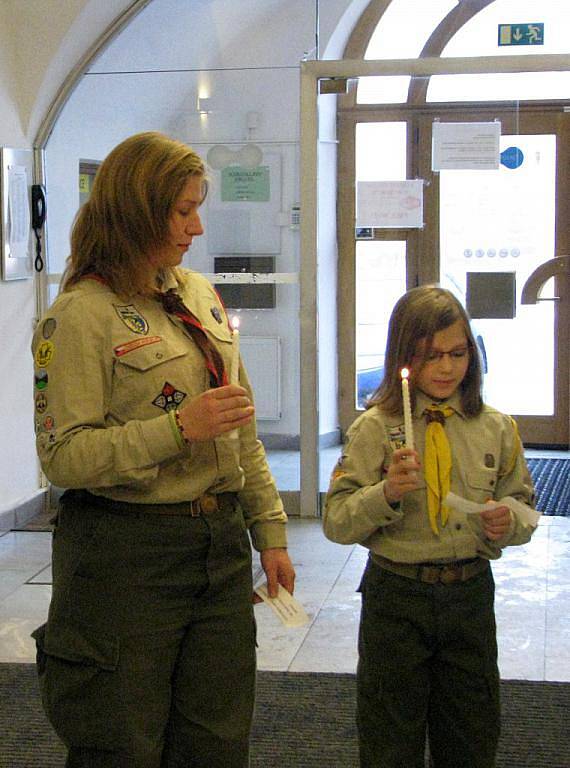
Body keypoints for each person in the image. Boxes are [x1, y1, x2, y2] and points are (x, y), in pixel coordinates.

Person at [31, 131, 295, 768]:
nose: (197, 227)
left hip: (218, 546)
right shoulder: (79, 315)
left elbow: (240, 425)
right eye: (182, 211)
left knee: (216, 740)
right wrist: (180, 429)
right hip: (126, 556)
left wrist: (270, 529)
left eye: (198, 207)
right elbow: (63, 457)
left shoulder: (196, 294)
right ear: (137, 210)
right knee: (121, 742)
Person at [323, 286, 537, 768]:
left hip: (468, 595)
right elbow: (336, 521)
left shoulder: (496, 428)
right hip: (397, 597)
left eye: (458, 354)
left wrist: (507, 521)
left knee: (471, 731)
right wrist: (386, 493)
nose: (445, 368)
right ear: (404, 357)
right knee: (389, 735)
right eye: (429, 356)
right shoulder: (376, 429)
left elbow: (523, 505)